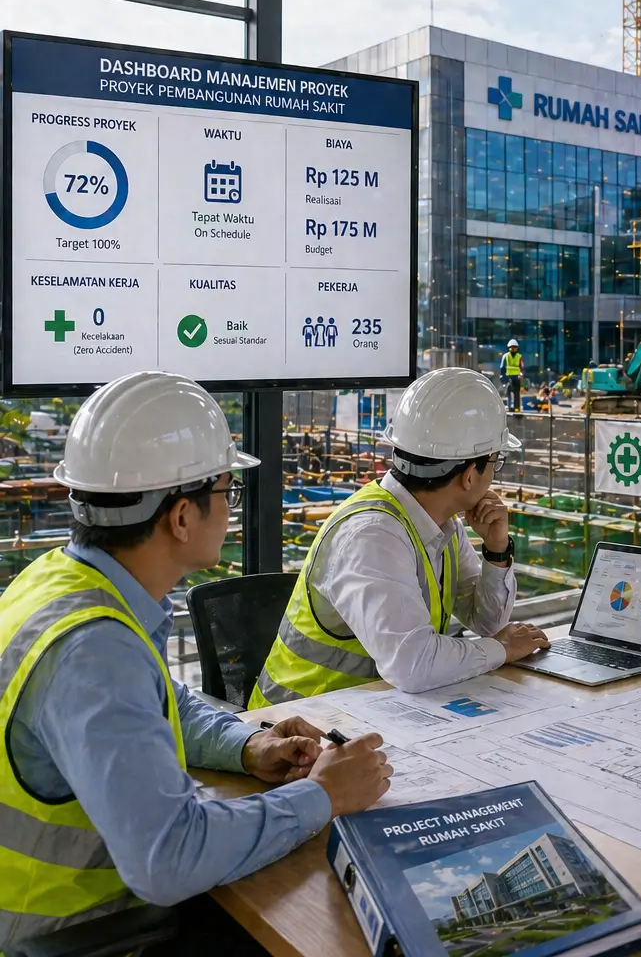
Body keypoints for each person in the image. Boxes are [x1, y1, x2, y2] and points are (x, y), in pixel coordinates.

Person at [0, 372, 391, 950]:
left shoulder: (64, 581)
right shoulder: (94, 650)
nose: (232, 512)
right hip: (84, 932)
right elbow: (169, 858)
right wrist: (323, 796)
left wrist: (245, 745)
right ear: (181, 517)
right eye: (226, 495)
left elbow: (154, 700)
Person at [250, 368, 549, 707]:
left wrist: (496, 551)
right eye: (496, 460)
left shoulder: (440, 524)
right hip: (300, 729)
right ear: (469, 476)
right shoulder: (373, 535)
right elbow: (413, 665)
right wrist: (503, 649)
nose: (495, 473)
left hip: (377, 716)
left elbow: (487, 623)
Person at [500, 338, 524, 411]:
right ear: (509, 348)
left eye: (514, 347)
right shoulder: (506, 356)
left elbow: (522, 366)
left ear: (517, 348)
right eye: (512, 347)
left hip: (516, 377)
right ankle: (510, 406)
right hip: (508, 377)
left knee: (516, 393)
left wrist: (521, 374)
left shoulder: (519, 356)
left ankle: (517, 407)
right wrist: (502, 377)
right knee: (508, 392)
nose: (513, 349)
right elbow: (502, 367)